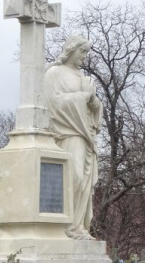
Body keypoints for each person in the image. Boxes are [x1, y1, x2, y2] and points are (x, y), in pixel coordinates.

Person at [45, 36, 103, 241]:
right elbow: (54, 104)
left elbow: (95, 109)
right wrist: (84, 96)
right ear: (71, 50)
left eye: (87, 53)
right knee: (75, 177)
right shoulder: (54, 73)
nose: (84, 57)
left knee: (85, 184)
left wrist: (94, 100)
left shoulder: (82, 78)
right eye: (83, 51)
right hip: (67, 133)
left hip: (85, 135)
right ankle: (68, 227)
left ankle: (78, 227)